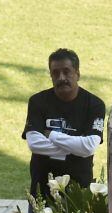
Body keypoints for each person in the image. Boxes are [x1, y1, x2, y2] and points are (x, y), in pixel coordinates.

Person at [23, 48, 106, 199]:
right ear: (51, 75)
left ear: (77, 73)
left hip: (79, 192)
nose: (61, 77)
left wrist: (51, 135)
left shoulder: (94, 104)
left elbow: (89, 147)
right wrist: (75, 148)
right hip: (42, 190)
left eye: (67, 71)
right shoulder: (37, 101)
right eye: (55, 73)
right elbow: (34, 144)